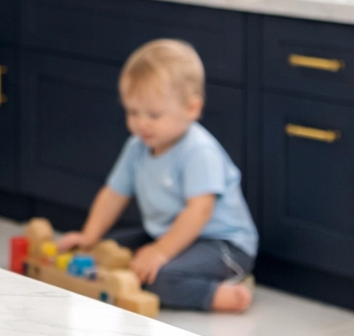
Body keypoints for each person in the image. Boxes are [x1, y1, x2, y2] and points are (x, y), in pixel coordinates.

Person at [59, 39, 257, 313]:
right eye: (132, 112)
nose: (141, 123)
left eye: (153, 114)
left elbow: (199, 212)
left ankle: (217, 292)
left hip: (223, 246)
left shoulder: (198, 151)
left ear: (191, 109)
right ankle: (170, 265)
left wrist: (160, 251)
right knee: (107, 251)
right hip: (170, 233)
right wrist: (89, 236)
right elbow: (113, 195)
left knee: (158, 278)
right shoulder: (137, 146)